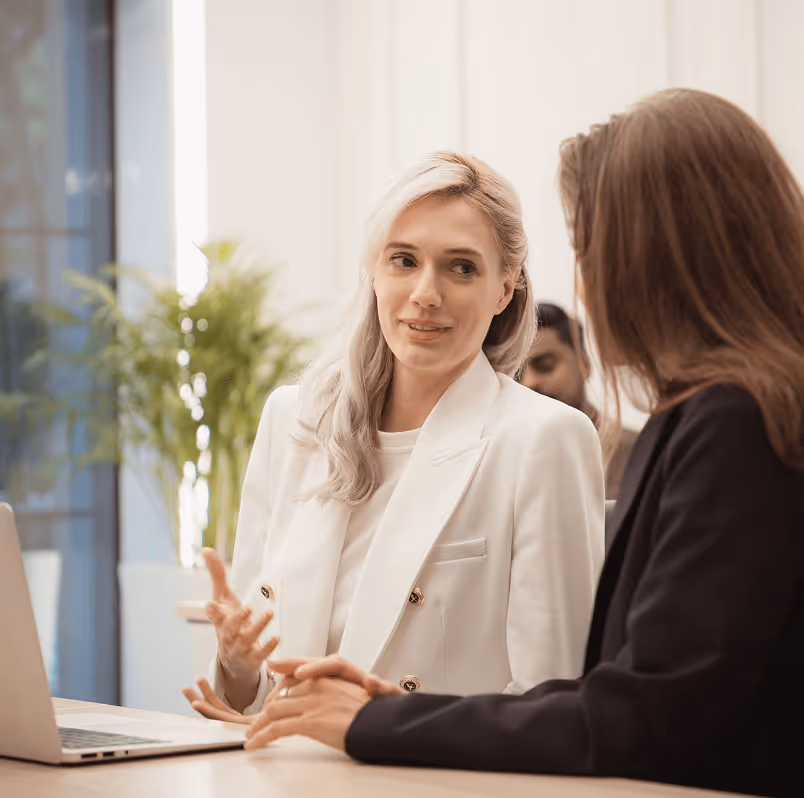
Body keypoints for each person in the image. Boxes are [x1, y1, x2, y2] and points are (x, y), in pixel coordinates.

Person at [242, 90, 804, 798]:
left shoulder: (737, 421)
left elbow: (639, 714)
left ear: (659, 257)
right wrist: (384, 716)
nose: (585, 287)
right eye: (403, 260)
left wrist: (378, 721)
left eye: (590, 249)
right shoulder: (713, 414)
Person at [182, 152, 604, 720]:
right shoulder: (294, 422)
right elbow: (260, 701)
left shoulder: (544, 438)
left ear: (505, 288)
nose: (426, 293)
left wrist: (374, 729)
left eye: (461, 268)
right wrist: (237, 666)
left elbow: (551, 703)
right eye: (404, 260)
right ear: (374, 271)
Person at [521, 302, 637, 498]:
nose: (529, 383)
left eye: (546, 365)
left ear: (584, 365)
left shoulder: (635, 452)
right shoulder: (503, 461)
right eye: (517, 375)